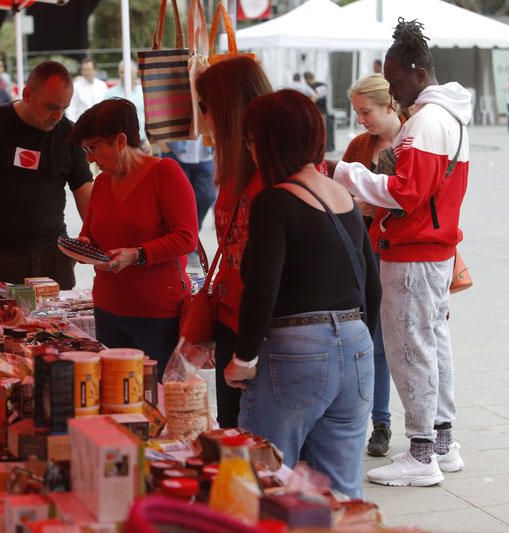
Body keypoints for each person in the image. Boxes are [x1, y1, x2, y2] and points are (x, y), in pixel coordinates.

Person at [333, 18, 471, 487]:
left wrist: (348, 174)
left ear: (416, 71)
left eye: (393, 81)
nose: (393, 92)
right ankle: (442, 443)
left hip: (414, 252)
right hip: (430, 249)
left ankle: (421, 453)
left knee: (411, 348)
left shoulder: (427, 121)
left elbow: (407, 192)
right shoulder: (446, 117)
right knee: (431, 345)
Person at [225, 89, 381, 498]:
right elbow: (372, 284)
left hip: (297, 349)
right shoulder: (344, 196)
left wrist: (243, 357)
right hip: (356, 344)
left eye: (252, 141)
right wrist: (357, 340)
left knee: (264, 478)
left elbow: (263, 287)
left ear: (271, 142)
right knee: (344, 488)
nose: (251, 151)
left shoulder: (274, 202)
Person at [72, 99, 197, 376]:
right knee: (117, 397)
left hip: (158, 314)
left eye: (93, 148)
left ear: (120, 141)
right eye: (86, 150)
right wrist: (82, 246)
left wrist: (137, 254)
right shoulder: (103, 182)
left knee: (159, 399)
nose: (90, 158)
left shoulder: (163, 173)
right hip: (107, 309)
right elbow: (89, 233)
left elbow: (186, 237)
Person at [0, 61, 93, 287]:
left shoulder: (68, 134)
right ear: (27, 94)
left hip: (52, 259)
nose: (58, 115)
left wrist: (94, 239)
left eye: (64, 107)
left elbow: (85, 192)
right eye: (51, 107)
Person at [194, 57, 273, 428]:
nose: (202, 117)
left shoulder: (276, 176)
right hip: (232, 324)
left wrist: (247, 351)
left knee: (263, 446)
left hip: (265, 338)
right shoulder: (232, 166)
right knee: (231, 436)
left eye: (204, 107)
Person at [341, 73, 403, 458]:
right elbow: (338, 192)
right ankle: (369, 420)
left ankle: (384, 422)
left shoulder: (413, 141)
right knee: (365, 339)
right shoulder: (360, 145)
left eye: (366, 112)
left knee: (389, 344)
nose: (361, 119)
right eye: (357, 112)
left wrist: (375, 204)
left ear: (389, 105)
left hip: (398, 253)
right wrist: (355, 204)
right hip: (361, 251)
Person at [162, 138, 215, 233]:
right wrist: (160, 142)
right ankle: (184, 236)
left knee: (206, 197)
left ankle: (190, 234)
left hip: (204, 153)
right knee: (177, 202)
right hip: (175, 151)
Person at [104, 60, 148, 150]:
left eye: (126, 72)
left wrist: (149, 140)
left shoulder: (143, 91)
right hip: (119, 143)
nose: (123, 75)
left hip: (143, 141)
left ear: (135, 73)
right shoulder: (110, 94)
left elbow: (150, 117)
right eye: (121, 72)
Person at [304, 71, 334, 152]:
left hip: (316, 111)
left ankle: (319, 147)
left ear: (307, 79)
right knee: (323, 129)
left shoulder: (310, 87)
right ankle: (324, 147)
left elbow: (314, 98)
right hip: (324, 110)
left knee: (317, 130)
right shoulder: (323, 85)